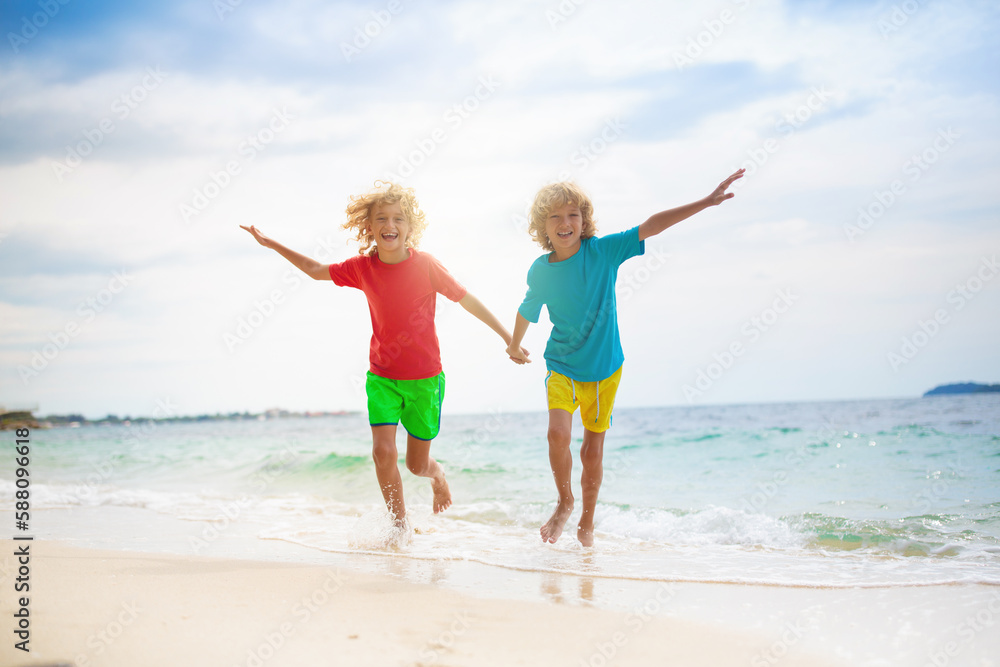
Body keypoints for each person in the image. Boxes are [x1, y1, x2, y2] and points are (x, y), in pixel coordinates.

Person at [242, 181, 527, 532]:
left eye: (398, 219)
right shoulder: (363, 267)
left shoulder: (426, 265)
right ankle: (400, 527)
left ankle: (437, 476)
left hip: (425, 380)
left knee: (416, 465)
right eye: (382, 219)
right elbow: (317, 271)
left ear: (410, 227)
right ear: (370, 227)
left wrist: (508, 339)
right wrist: (271, 244)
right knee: (383, 453)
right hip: (382, 378)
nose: (390, 225)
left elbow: (466, 299)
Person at [506, 169, 744, 546]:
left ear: (583, 221)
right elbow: (527, 309)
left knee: (592, 450)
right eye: (555, 217)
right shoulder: (541, 270)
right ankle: (565, 501)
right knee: (557, 434)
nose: (565, 223)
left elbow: (651, 226)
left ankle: (587, 520)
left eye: (573, 215)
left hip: (604, 369)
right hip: (562, 365)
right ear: (543, 227)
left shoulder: (602, 252)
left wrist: (705, 201)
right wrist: (514, 344)